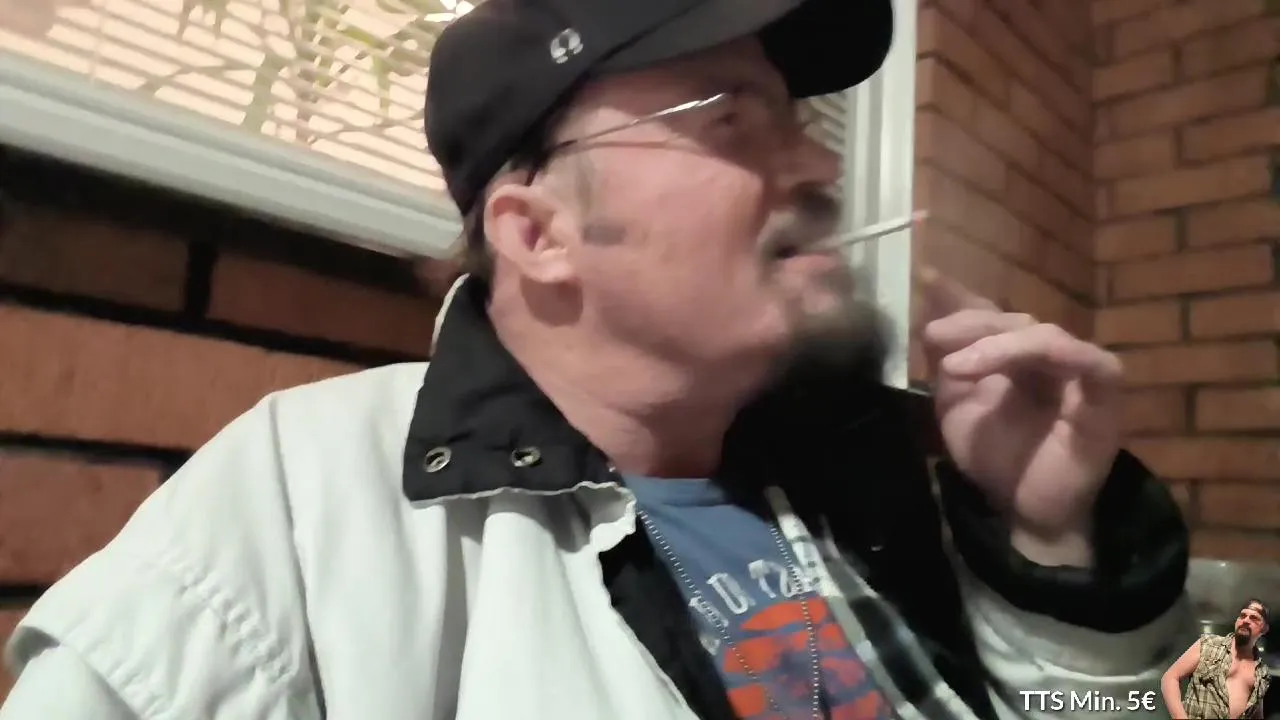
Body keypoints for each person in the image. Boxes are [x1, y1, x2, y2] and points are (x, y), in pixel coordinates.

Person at [0, 0, 1192, 718]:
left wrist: (1051, 551)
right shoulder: (305, 504)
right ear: (538, 234)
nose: (821, 169)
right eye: (730, 116)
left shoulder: (893, 471)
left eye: (797, 121)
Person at [1162, 599, 1271, 719]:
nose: (1245, 620)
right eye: (1242, 615)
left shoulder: (1262, 673)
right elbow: (1170, 677)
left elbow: (1257, 714)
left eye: (1254, 618)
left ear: (1264, 629)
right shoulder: (1208, 644)